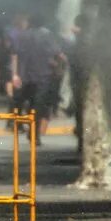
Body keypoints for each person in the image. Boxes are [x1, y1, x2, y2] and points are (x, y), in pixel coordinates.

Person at [11, 16, 66, 144]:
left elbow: (15, 55)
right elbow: (59, 54)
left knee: (30, 104)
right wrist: (60, 66)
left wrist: (15, 75)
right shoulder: (46, 36)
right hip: (43, 76)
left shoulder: (21, 36)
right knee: (39, 106)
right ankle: (34, 133)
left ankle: (31, 130)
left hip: (26, 76)